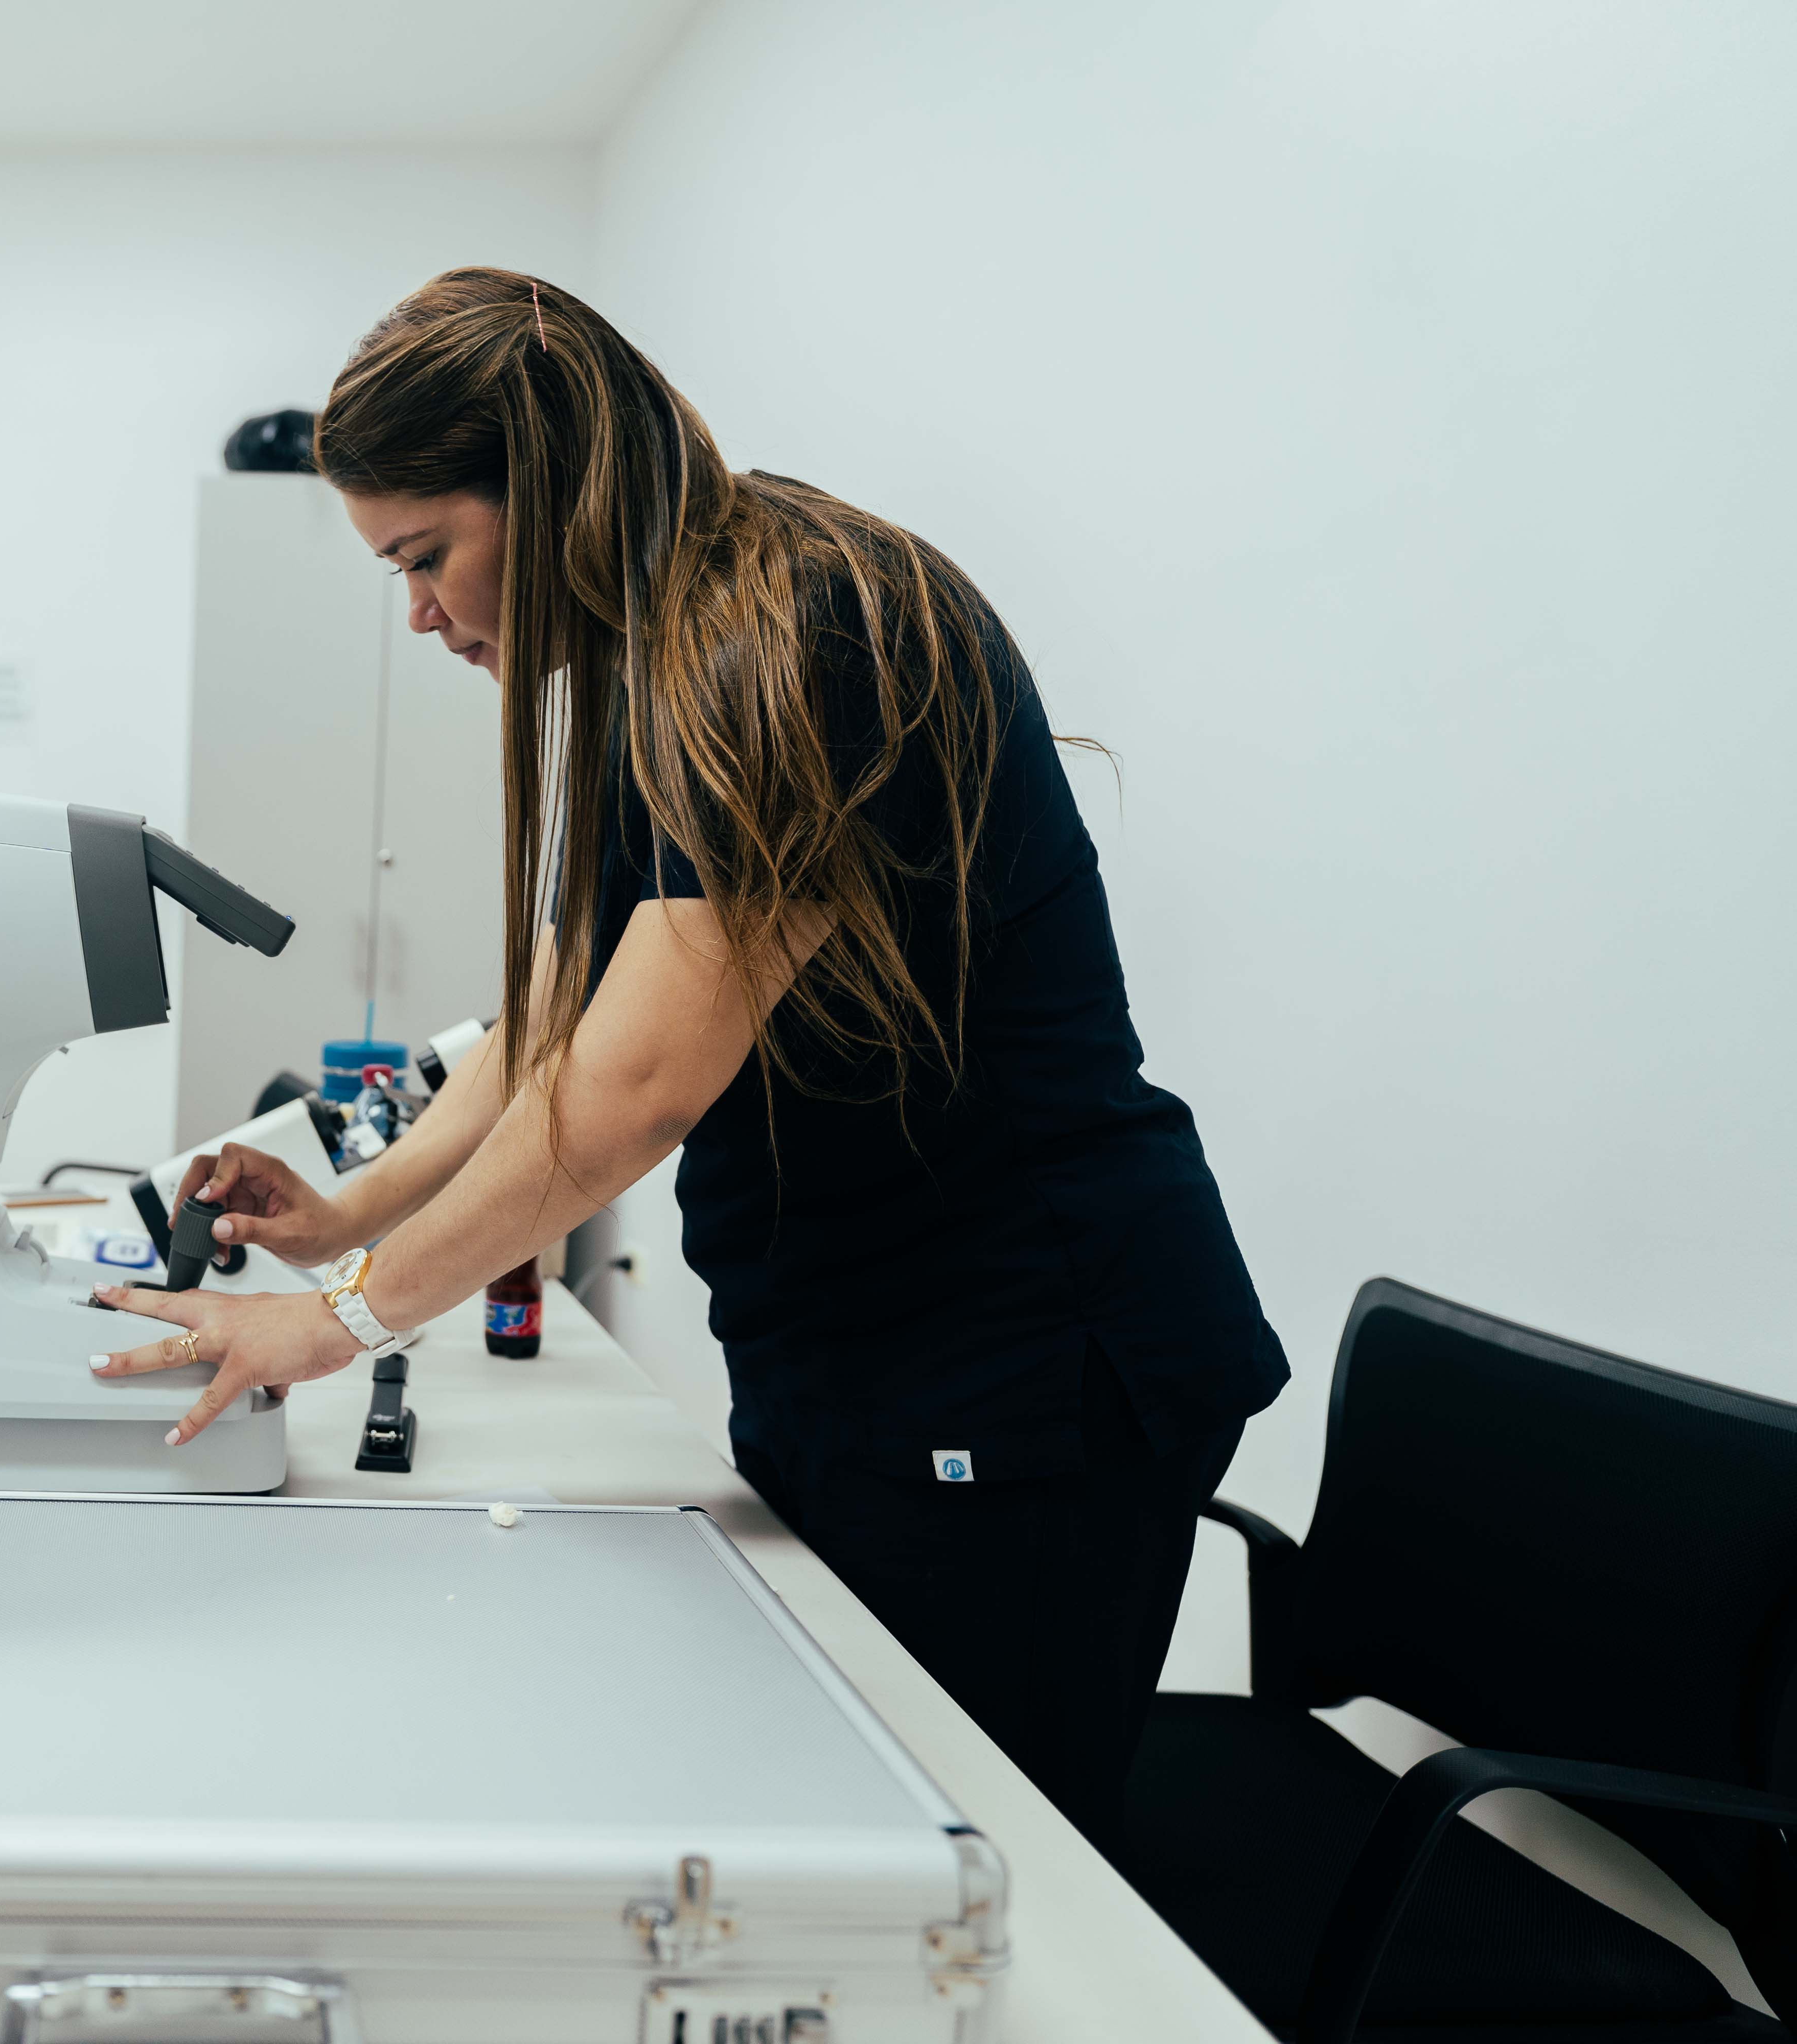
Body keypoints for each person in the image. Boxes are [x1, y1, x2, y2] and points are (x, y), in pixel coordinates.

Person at [96, 270, 1289, 1852]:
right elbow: (564, 1016)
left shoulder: (797, 635)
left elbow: (635, 1091)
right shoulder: (664, 653)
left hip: (1024, 1362)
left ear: (549, 479)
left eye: (426, 556)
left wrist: (331, 1323)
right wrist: (346, 1212)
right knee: (831, 1795)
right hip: (859, 1336)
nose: (422, 614)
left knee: (959, 1856)